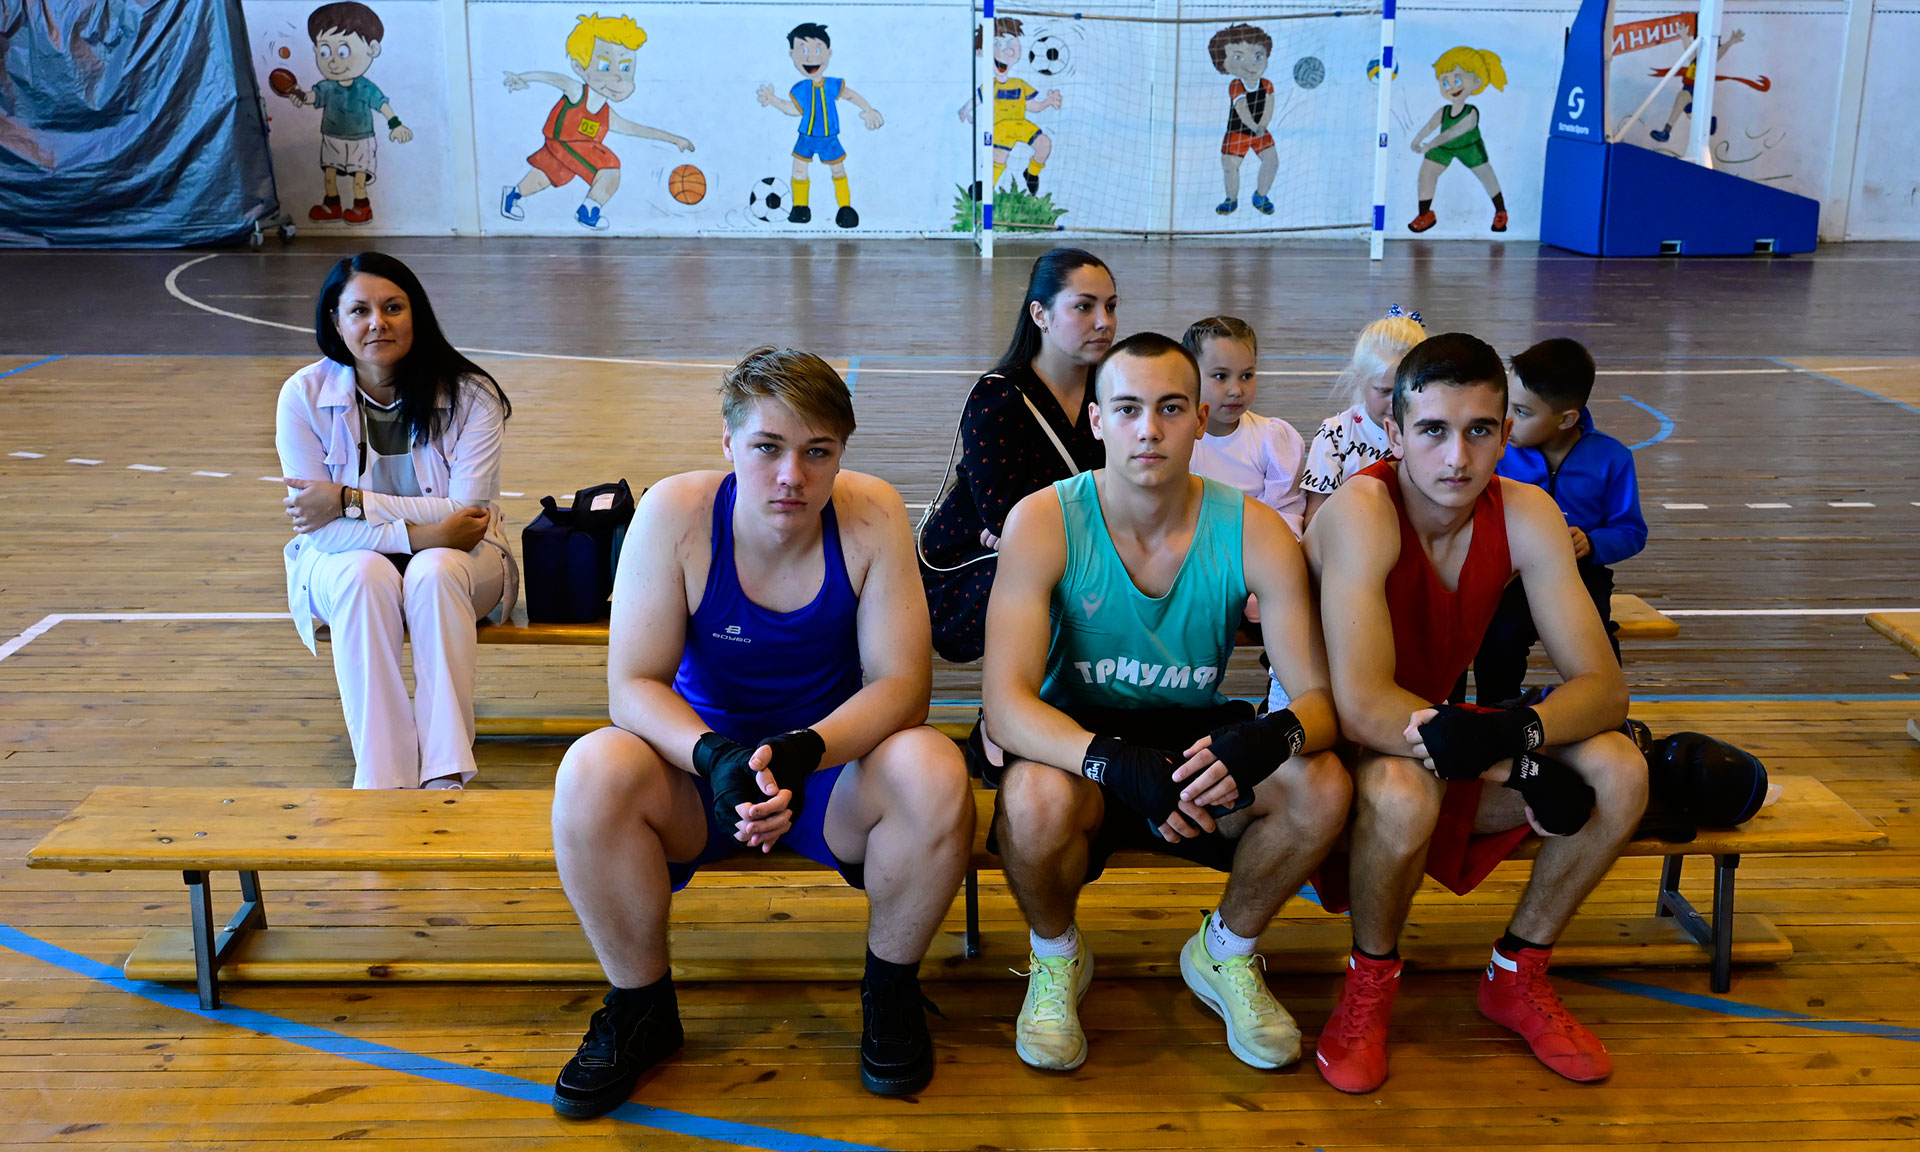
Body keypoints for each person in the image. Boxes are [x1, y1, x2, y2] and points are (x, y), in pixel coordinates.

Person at [547, 348, 973, 1117]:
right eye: (768, 448)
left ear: (842, 453)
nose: (791, 476)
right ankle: (641, 1009)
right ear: (728, 443)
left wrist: (806, 752)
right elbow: (632, 686)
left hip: (825, 778)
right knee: (591, 768)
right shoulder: (676, 515)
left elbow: (902, 688)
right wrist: (714, 757)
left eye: (818, 453)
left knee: (934, 766)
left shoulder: (872, 513)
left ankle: (890, 994)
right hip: (700, 782)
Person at [981, 332, 1350, 1074]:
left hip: (1192, 744)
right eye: (1127, 409)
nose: (1148, 429)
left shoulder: (1256, 532)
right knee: (1030, 800)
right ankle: (1056, 954)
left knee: (1321, 785)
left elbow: (1318, 702)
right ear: (1096, 420)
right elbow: (1006, 705)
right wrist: (1113, 761)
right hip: (1078, 744)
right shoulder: (1045, 520)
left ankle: (1226, 949)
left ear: (1201, 417)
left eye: (1171, 408)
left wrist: (1264, 740)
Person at [1306, 332, 1648, 1094]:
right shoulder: (1363, 509)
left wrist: (1512, 734)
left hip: (1442, 733)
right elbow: (1361, 705)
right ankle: (1371, 979)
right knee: (1403, 791)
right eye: (1433, 430)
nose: (1457, 457)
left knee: (1621, 770)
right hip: (1334, 753)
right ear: (1394, 434)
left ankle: (1517, 971)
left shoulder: (1527, 513)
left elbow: (1603, 687)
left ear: (1507, 431)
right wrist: (1515, 765)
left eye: (1480, 430)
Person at [275, 252, 518, 790]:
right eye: (359, 310)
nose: (377, 323)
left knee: (433, 571)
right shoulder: (302, 395)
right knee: (364, 573)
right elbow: (323, 530)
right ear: (335, 322)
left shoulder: (473, 395)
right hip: (345, 562)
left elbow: (467, 516)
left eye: (393, 307)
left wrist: (348, 500)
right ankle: (384, 779)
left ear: (416, 314)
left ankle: (445, 772)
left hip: (464, 561)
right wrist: (423, 533)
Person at [918, 248, 1115, 671]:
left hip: (1060, 555)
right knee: (1064, 584)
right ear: (1040, 315)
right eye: (1084, 307)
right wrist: (1024, 536)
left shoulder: (1113, 391)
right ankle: (1009, 705)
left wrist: (1029, 535)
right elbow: (1004, 519)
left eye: (1110, 307)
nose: (1104, 321)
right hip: (968, 567)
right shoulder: (999, 397)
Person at [1475, 338, 1648, 703]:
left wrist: (1593, 543)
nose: (1507, 420)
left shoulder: (1611, 458)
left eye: (1522, 412)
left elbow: (1631, 531)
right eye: (1507, 406)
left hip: (1582, 574)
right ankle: (1495, 714)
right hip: (1515, 576)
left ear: (1567, 418)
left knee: (1597, 641)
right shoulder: (1500, 454)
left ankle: (1604, 709)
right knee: (1499, 637)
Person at [501, 14, 696, 232]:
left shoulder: (606, 114)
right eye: (605, 66)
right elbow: (554, 78)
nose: (617, 76)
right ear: (579, 67)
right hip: (564, 142)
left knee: (545, 176)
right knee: (609, 167)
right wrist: (523, 78)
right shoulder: (577, 92)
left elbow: (634, 129)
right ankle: (588, 211)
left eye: (625, 67)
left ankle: (512, 195)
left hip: (563, 148)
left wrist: (674, 139)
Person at [282, 2, 412, 226]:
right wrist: (299, 95)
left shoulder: (365, 87)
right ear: (316, 50)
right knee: (329, 176)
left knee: (359, 180)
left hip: (361, 140)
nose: (332, 60)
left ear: (372, 49)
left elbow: (382, 105)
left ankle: (362, 208)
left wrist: (396, 125)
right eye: (324, 51)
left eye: (343, 51)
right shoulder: (327, 86)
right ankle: (332, 207)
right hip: (332, 137)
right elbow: (312, 97)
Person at [1300, 306, 1426, 526]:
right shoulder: (1336, 434)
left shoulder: (1434, 430)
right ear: (1360, 380)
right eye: (1384, 391)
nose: (1396, 402)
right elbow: (1315, 518)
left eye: (1407, 391)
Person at [1183, 316, 1306, 536]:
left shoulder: (1272, 440)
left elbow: (1286, 515)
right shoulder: (1178, 440)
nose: (1236, 390)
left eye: (1246, 376)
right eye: (1220, 376)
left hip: (1255, 545)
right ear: (1189, 375)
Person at [756, 23, 884, 228]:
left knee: (838, 170)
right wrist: (773, 100)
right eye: (803, 50)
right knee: (799, 170)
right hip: (806, 137)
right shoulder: (800, 89)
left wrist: (868, 109)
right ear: (792, 55)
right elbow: (793, 109)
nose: (810, 58)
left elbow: (849, 95)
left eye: (817, 50)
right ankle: (800, 208)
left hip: (829, 138)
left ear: (828, 53)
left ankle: (845, 209)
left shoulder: (833, 84)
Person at [1407, 46, 1508, 233]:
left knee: (1486, 175)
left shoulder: (1471, 112)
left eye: (1458, 80)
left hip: (1468, 147)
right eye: (1445, 83)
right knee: (1426, 173)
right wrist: (1417, 140)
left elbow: (1452, 132)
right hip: (1444, 147)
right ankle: (1425, 214)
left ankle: (1500, 211)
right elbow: (1430, 126)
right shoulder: (1444, 111)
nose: (1452, 87)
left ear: (1477, 82)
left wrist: (1429, 145)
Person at [958, 18, 1061, 195]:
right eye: (998, 44)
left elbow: (1032, 106)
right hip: (1001, 129)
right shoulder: (990, 86)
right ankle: (986, 187)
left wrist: (1047, 102)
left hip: (1021, 125)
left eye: (1011, 44)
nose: (1009, 51)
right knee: (998, 157)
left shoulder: (1019, 84)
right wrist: (965, 110)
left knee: (1044, 143)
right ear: (982, 52)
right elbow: (977, 99)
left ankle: (1032, 173)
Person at [1206, 23, 1278, 216]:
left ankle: (1260, 196)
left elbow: (1269, 107)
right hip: (1238, 132)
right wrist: (1253, 126)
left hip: (1260, 131)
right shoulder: (1236, 85)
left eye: (1258, 56)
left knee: (1271, 161)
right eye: (1238, 57)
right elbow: (1242, 108)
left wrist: (1262, 125)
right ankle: (1231, 199)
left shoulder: (1267, 85)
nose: (1251, 64)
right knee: (1230, 166)